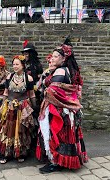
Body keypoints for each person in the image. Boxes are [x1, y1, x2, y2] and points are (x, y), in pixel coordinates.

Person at [37, 39, 87, 173]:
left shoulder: (60, 71)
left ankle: (55, 162)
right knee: (64, 135)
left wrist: (45, 85)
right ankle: (63, 160)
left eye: (55, 56)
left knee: (56, 135)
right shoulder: (69, 70)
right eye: (51, 56)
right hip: (67, 110)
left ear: (63, 58)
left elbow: (52, 90)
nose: (51, 58)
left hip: (58, 110)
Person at [0, 55, 37, 164]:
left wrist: (34, 108)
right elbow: (5, 92)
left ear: (23, 65)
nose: (15, 66)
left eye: (17, 64)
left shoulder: (29, 78)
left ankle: (20, 153)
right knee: (7, 130)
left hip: (22, 107)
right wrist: (2, 107)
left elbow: (32, 94)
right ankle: (5, 154)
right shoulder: (9, 77)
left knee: (21, 130)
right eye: (13, 64)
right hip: (9, 107)